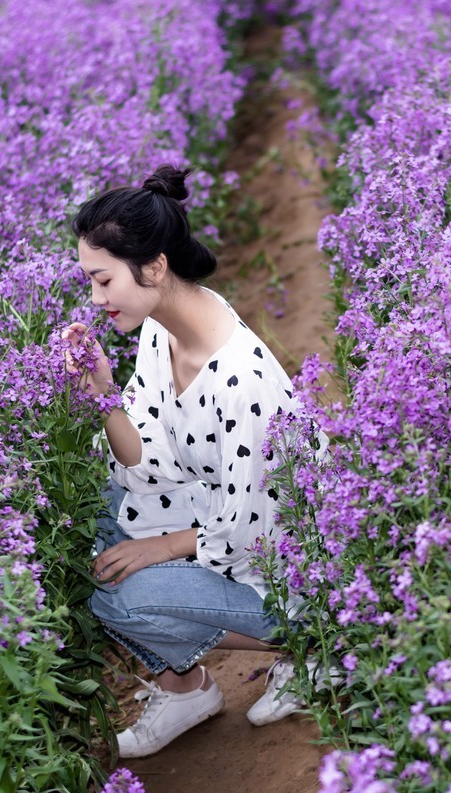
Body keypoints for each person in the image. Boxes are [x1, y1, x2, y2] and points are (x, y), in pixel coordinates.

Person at [61, 165, 329, 758]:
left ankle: (314, 644)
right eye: (91, 282)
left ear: (154, 267)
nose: (97, 299)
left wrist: (159, 547)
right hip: (212, 516)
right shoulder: (166, 329)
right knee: (87, 523)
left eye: (104, 281)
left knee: (114, 594)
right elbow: (144, 459)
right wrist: (104, 397)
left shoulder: (242, 381)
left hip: (281, 565)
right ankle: (184, 688)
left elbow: (254, 529)